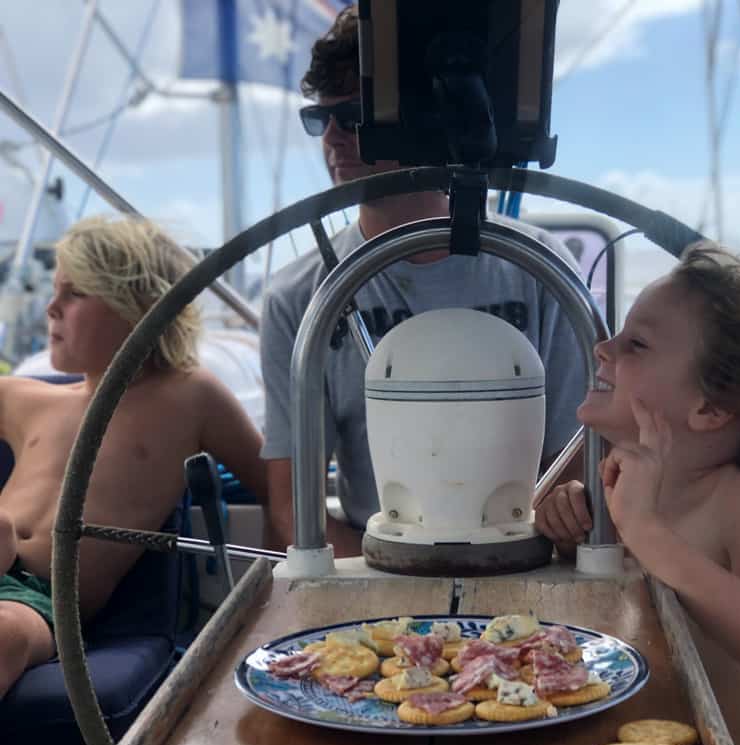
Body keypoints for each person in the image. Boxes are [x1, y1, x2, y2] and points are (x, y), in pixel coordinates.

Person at [260, 3, 587, 556]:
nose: (334, 139)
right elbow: (294, 509)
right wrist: (382, 580)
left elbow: (582, 458)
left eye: (355, 115)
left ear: (421, 117)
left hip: (533, 560)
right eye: (321, 119)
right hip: (378, 561)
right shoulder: (297, 300)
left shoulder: (543, 270)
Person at [535, 243, 740, 745]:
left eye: (637, 345)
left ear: (712, 408)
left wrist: (643, 531)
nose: (604, 348)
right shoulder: (641, 484)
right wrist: (577, 526)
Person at [0, 215, 267, 699]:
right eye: (55, 291)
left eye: (75, 292)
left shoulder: (189, 397)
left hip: (34, 599)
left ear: (140, 306)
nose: (51, 307)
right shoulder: (23, 398)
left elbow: (282, 487)